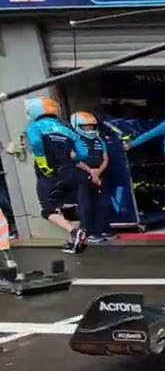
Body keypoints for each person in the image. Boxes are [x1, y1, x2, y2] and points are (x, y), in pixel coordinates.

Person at [24, 96, 90, 254]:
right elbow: (83, 152)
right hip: (70, 172)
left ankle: (73, 232)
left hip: (50, 174)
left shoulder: (34, 125)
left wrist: (43, 163)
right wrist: (73, 159)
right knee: (70, 207)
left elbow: (35, 144)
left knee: (48, 210)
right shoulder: (66, 127)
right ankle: (75, 243)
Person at [69, 112, 117, 243]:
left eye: (91, 125)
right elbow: (73, 157)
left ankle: (104, 229)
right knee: (86, 204)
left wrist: (99, 171)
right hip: (82, 174)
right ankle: (90, 232)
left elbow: (105, 157)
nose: (89, 128)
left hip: (100, 174)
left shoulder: (99, 139)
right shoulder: (73, 139)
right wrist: (91, 171)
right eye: (85, 126)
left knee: (104, 203)